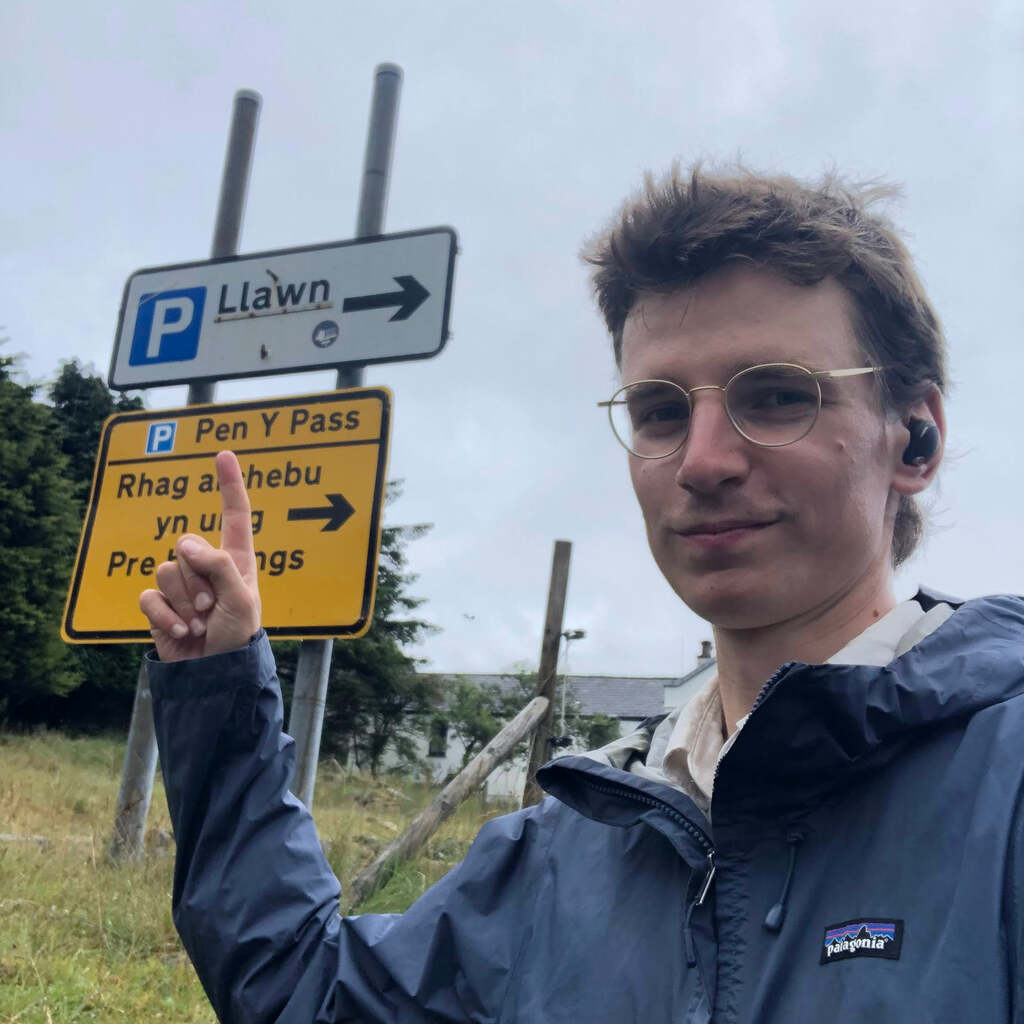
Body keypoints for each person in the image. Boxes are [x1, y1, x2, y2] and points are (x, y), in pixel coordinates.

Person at [141, 166, 1024, 1023]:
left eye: (780, 395)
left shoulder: (1003, 779)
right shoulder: (569, 851)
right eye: (661, 411)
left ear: (914, 440)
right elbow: (306, 998)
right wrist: (222, 691)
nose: (704, 460)